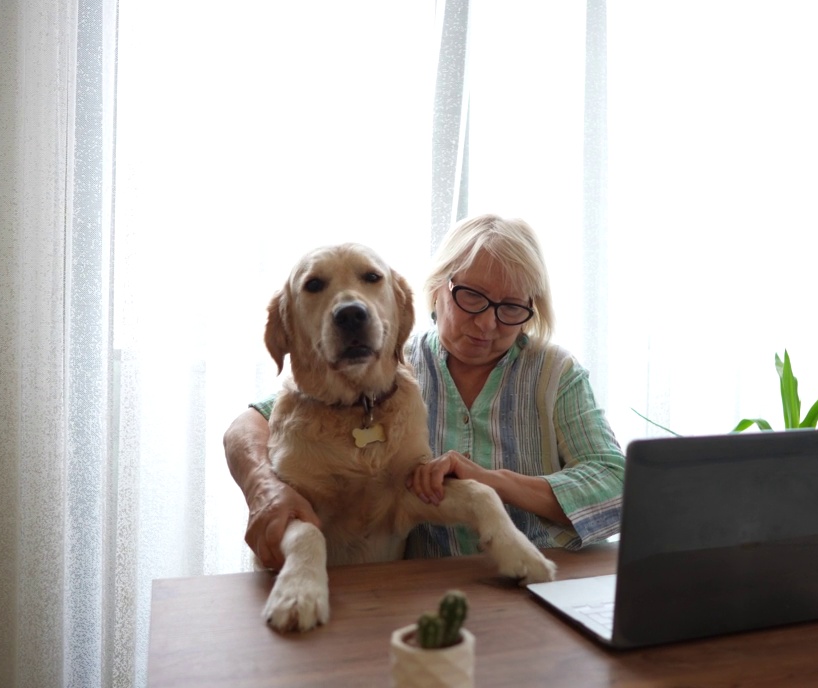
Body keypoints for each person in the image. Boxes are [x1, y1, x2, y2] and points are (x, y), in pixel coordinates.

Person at [223, 214, 625, 569]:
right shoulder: (387, 367)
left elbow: (617, 483)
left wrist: (493, 481)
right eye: (472, 297)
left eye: (510, 307)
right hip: (423, 589)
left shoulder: (556, 372)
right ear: (437, 290)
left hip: (552, 577)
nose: (486, 324)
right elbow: (253, 422)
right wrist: (264, 486)